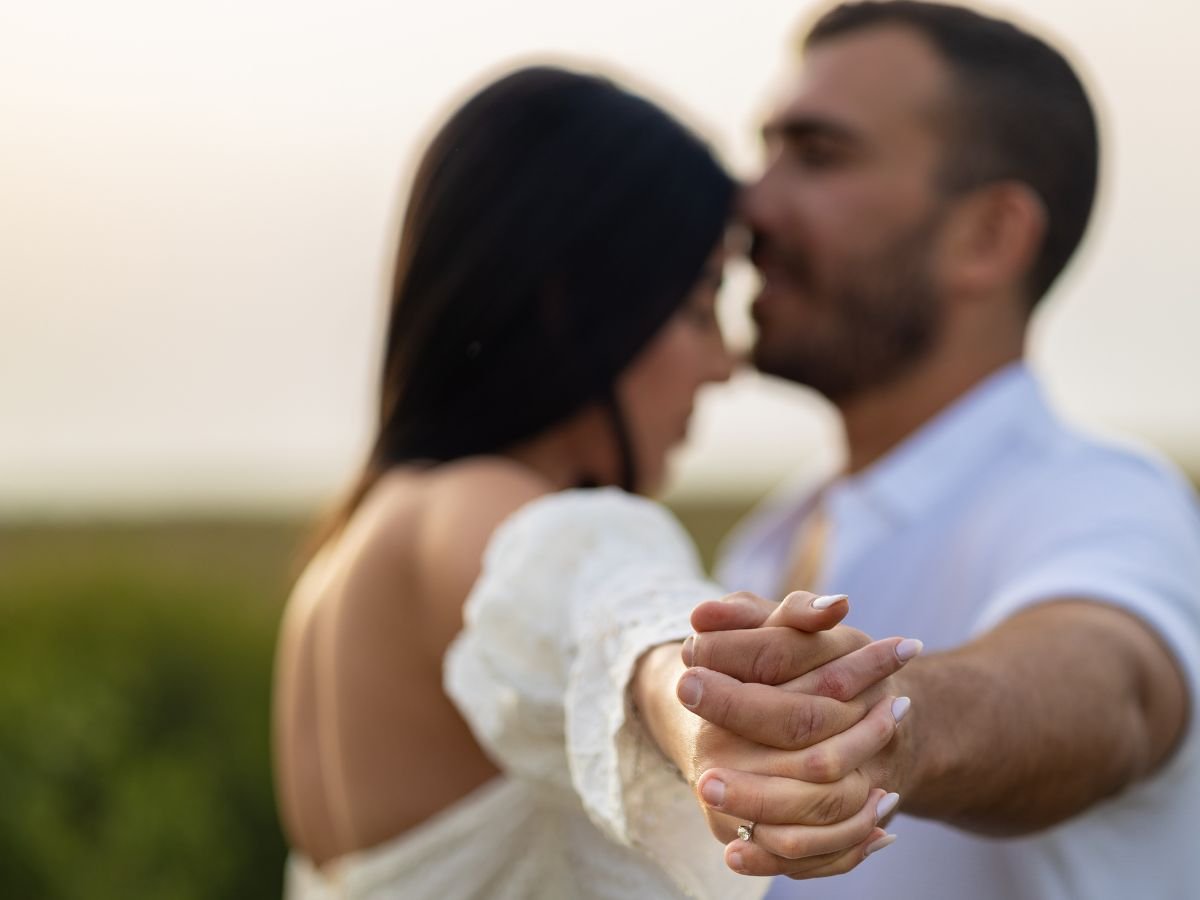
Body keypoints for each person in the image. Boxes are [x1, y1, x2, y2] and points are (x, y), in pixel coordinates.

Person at [271, 65, 916, 899]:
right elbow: (595, 600)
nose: (725, 363)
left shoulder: (356, 546)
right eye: (699, 303)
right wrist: (696, 701)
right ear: (567, 305)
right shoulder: (472, 511)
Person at [667, 3, 1200, 898]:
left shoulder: (1102, 499)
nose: (750, 200)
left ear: (987, 237)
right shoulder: (771, 534)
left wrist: (885, 727)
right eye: (767, 150)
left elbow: (1110, 690)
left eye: (819, 154)